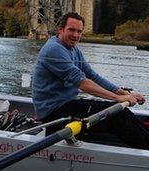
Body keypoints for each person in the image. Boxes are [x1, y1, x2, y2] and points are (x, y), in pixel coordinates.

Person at [32, 12, 149, 149]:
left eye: (79, 31)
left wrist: (123, 93)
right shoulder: (53, 49)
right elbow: (82, 82)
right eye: (71, 30)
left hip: (68, 105)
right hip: (54, 114)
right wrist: (117, 98)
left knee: (121, 114)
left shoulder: (73, 48)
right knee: (117, 116)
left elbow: (92, 76)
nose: (75, 35)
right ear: (60, 29)